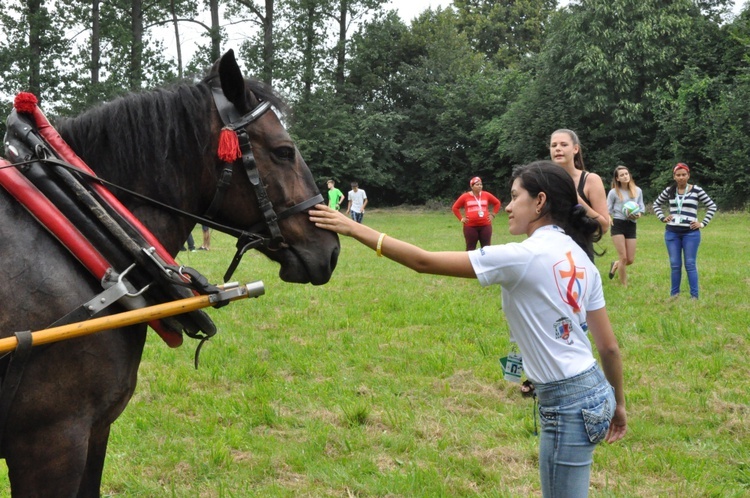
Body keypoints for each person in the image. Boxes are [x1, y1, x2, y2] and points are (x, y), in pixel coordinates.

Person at [310, 161, 626, 498]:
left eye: (515, 196)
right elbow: (608, 348)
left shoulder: (524, 257)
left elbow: (423, 261)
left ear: (539, 202)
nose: (506, 206)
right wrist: (618, 405)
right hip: (595, 392)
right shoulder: (579, 256)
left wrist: (352, 228)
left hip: (568, 404)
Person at [652, 163, 717, 300]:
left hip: (691, 233)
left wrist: (702, 223)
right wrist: (663, 217)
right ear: (674, 176)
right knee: (675, 264)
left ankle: (694, 296)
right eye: (678, 175)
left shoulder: (696, 190)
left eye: (684, 175)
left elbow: (712, 206)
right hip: (672, 233)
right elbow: (656, 204)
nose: (681, 177)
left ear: (688, 175)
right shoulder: (670, 190)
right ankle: (674, 295)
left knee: (690, 264)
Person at [550, 129, 609, 235]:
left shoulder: (591, 180)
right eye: (554, 145)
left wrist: (577, 200)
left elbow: (604, 227)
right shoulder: (544, 180)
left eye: (564, 145)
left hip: (580, 248)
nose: (558, 149)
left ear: (575, 149)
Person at [606, 166, 645, 285]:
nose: (625, 176)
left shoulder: (637, 191)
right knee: (623, 257)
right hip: (618, 224)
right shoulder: (613, 192)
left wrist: (637, 215)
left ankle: (616, 264)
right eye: (622, 175)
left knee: (630, 260)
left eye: (626, 174)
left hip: (631, 225)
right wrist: (608, 218)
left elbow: (641, 209)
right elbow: (607, 210)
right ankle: (624, 285)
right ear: (617, 178)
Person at [452, 176, 502, 250]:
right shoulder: (465, 196)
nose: (480, 186)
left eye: (481, 184)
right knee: (470, 248)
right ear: (472, 186)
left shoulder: (486, 195)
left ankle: (486, 261)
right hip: (470, 227)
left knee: (486, 248)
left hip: (485, 225)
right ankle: (469, 262)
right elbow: (455, 208)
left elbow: (497, 203)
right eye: (477, 184)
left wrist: (493, 215)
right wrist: (461, 218)